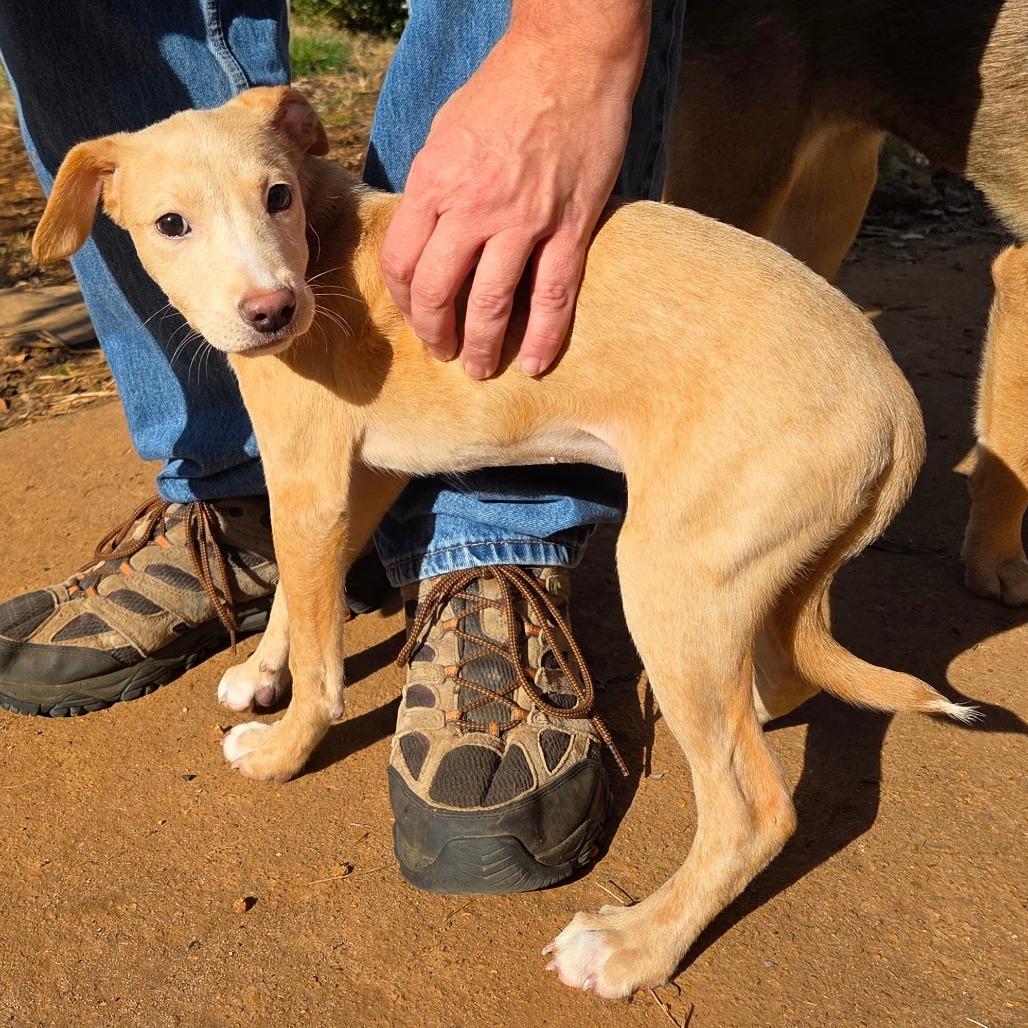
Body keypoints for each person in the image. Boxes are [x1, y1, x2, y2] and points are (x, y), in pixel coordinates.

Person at [0, 0, 684, 893]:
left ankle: (491, 534)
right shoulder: (122, 178)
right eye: (173, 224)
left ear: (296, 146)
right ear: (97, 200)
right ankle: (230, 504)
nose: (267, 287)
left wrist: (572, 44)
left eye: (276, 197)